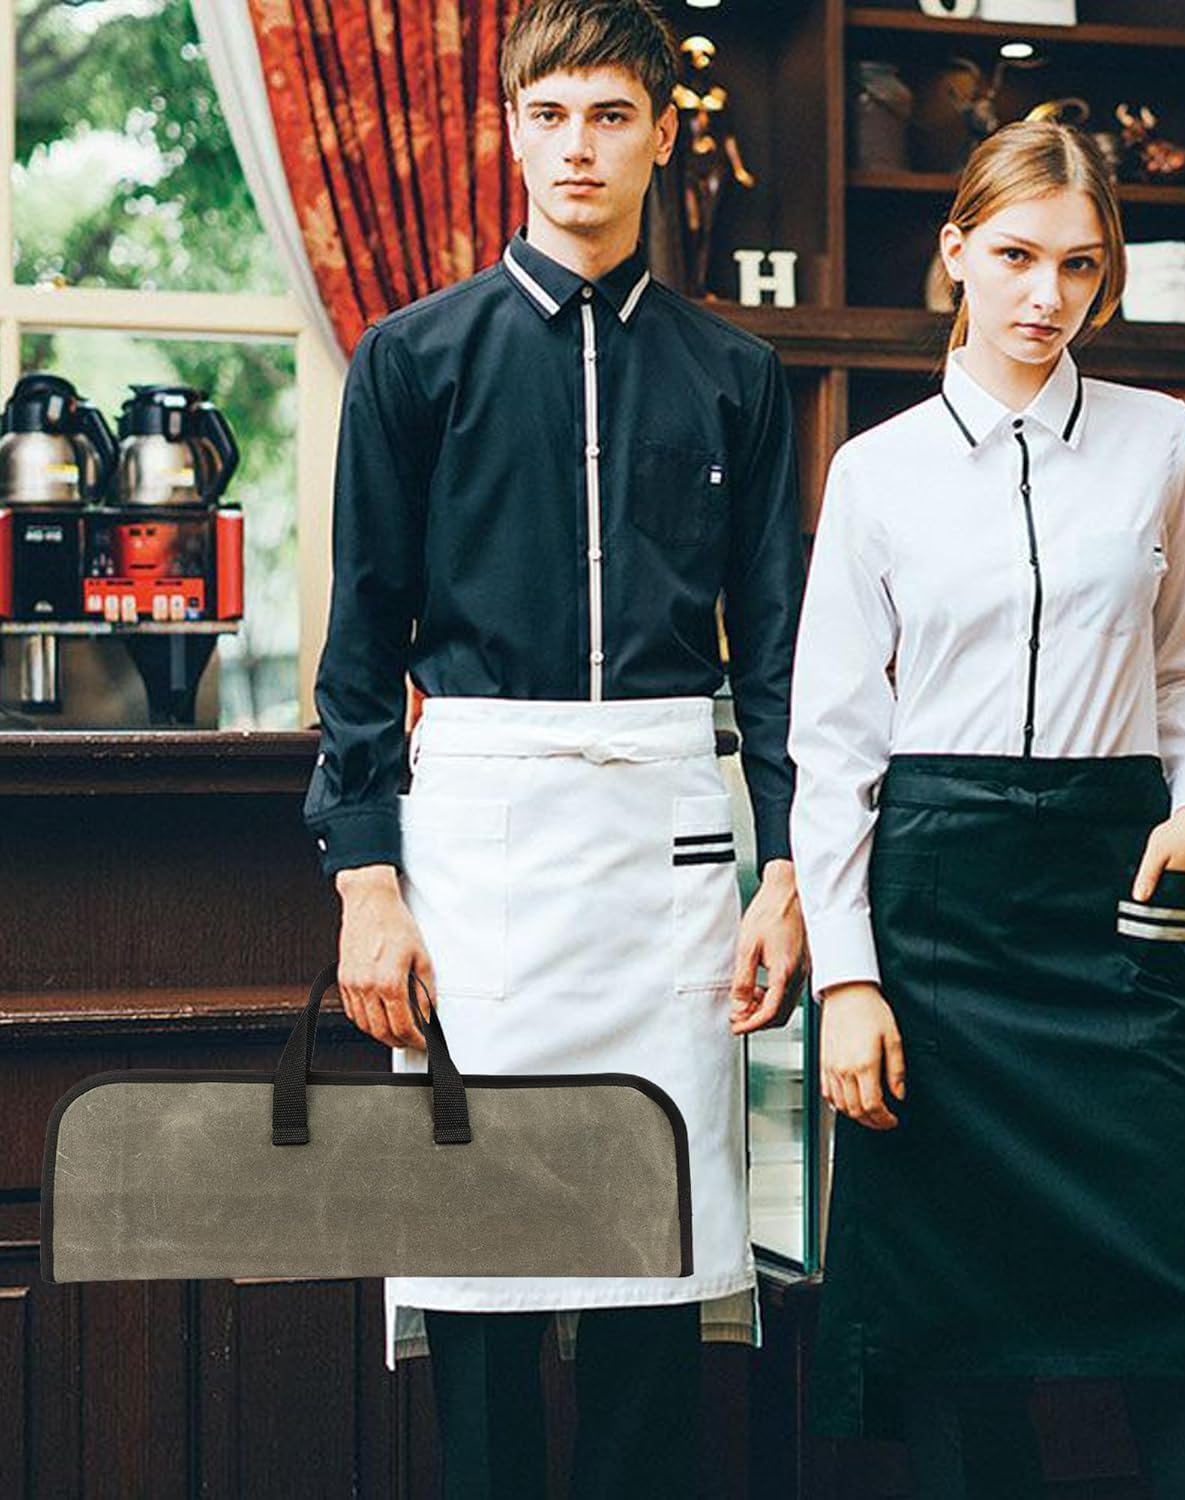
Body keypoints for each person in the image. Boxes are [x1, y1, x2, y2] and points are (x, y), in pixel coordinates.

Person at [301, 2, 807, 1496]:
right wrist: (367, 882)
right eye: (550, 115)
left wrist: (787, 873)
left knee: (651, 1271)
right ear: (511, 131)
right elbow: (360, 643)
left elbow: (780, 657)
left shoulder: (739, 375)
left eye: (610, 115)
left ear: (663, 133)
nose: (578, 146)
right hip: (476, 859)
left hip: (671, 855)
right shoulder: (410, 359)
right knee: (483, 1277)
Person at [787, 119, 1185, 1500]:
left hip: (1121, 898)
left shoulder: (1161, 444)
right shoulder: (875, 470)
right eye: (1014, 256)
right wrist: (849, 980)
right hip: (939, 912)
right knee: (955, 1326)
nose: (1046, 294)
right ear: (955, 253)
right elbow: (835, 746)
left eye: (1079, 265)